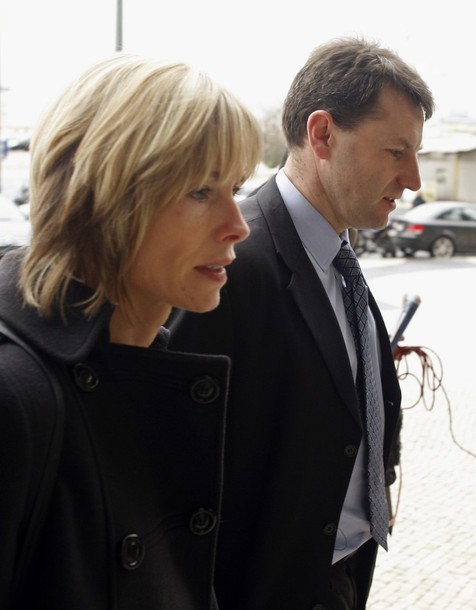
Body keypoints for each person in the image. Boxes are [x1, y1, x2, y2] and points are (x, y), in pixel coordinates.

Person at [167, 36, 435, 609]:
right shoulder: (229, 265)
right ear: (322, 135)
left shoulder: (339, 253)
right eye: (396, 152)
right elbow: (173, 480)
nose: (413, 178)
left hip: (344, 571)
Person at [0, 52, 262, 610]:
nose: (238, 225)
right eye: (201, 191)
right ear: (104, 196)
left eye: (236, 189)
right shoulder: (15, 398)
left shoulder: (153, 372)